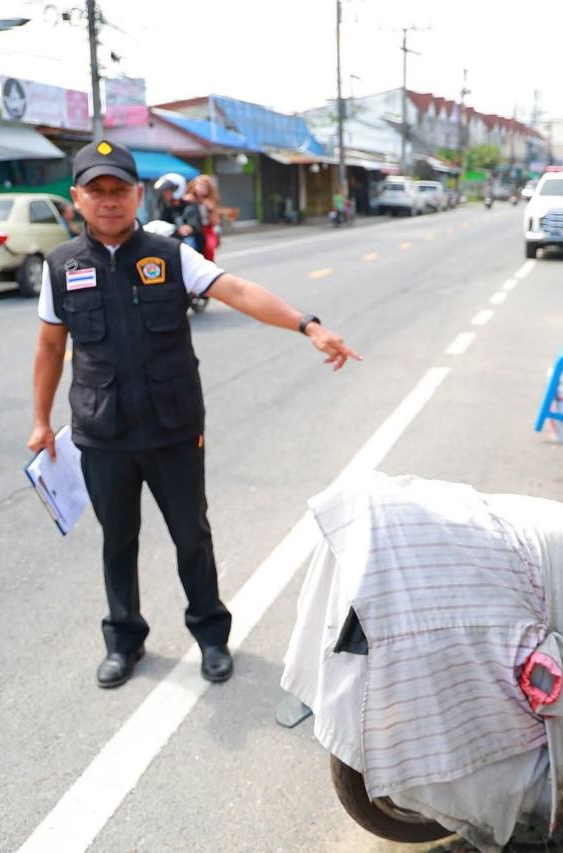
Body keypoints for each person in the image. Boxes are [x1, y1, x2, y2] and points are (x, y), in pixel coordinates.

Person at [27, 140, 361, 689]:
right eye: (97, 191)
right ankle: (124, 640)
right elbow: (48, 348)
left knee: (191, 535)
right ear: (77, 200)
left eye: (119, 191)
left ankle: (210, 636)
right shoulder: (62, 266)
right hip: (102, 430)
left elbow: (239, 290)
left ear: (138, 196)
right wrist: (41, 421)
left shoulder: (169, 254)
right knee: (118, 542)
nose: (109, 202)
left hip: (173, 427)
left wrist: (309, 325)